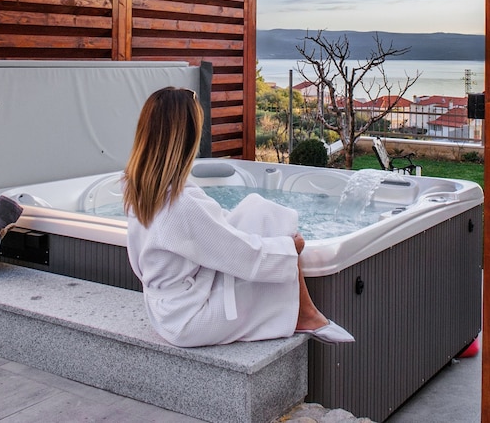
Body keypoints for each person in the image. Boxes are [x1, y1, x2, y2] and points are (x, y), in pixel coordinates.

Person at [124, 87, 354, 347]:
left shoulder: (140, 187)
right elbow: (240, 254)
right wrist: (290, 248)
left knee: (258, 210)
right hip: (188, 318)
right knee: (272, 228)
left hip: (165, 309)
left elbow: (216, 227)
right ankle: (305, 314)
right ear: (188, 138)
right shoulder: (180, 203)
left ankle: (304, 310)